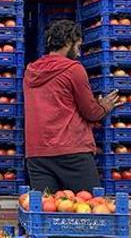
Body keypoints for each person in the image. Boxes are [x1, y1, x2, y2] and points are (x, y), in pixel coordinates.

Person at [23, 19, 121, 193]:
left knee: (46, 212)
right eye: (77, 46)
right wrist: (104, 106)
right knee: (89, 208)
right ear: (68, 42)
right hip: (72, 152)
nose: (79, 53)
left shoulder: (30, 72)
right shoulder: (73, 69)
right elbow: (91, 112)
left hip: (37, 154)